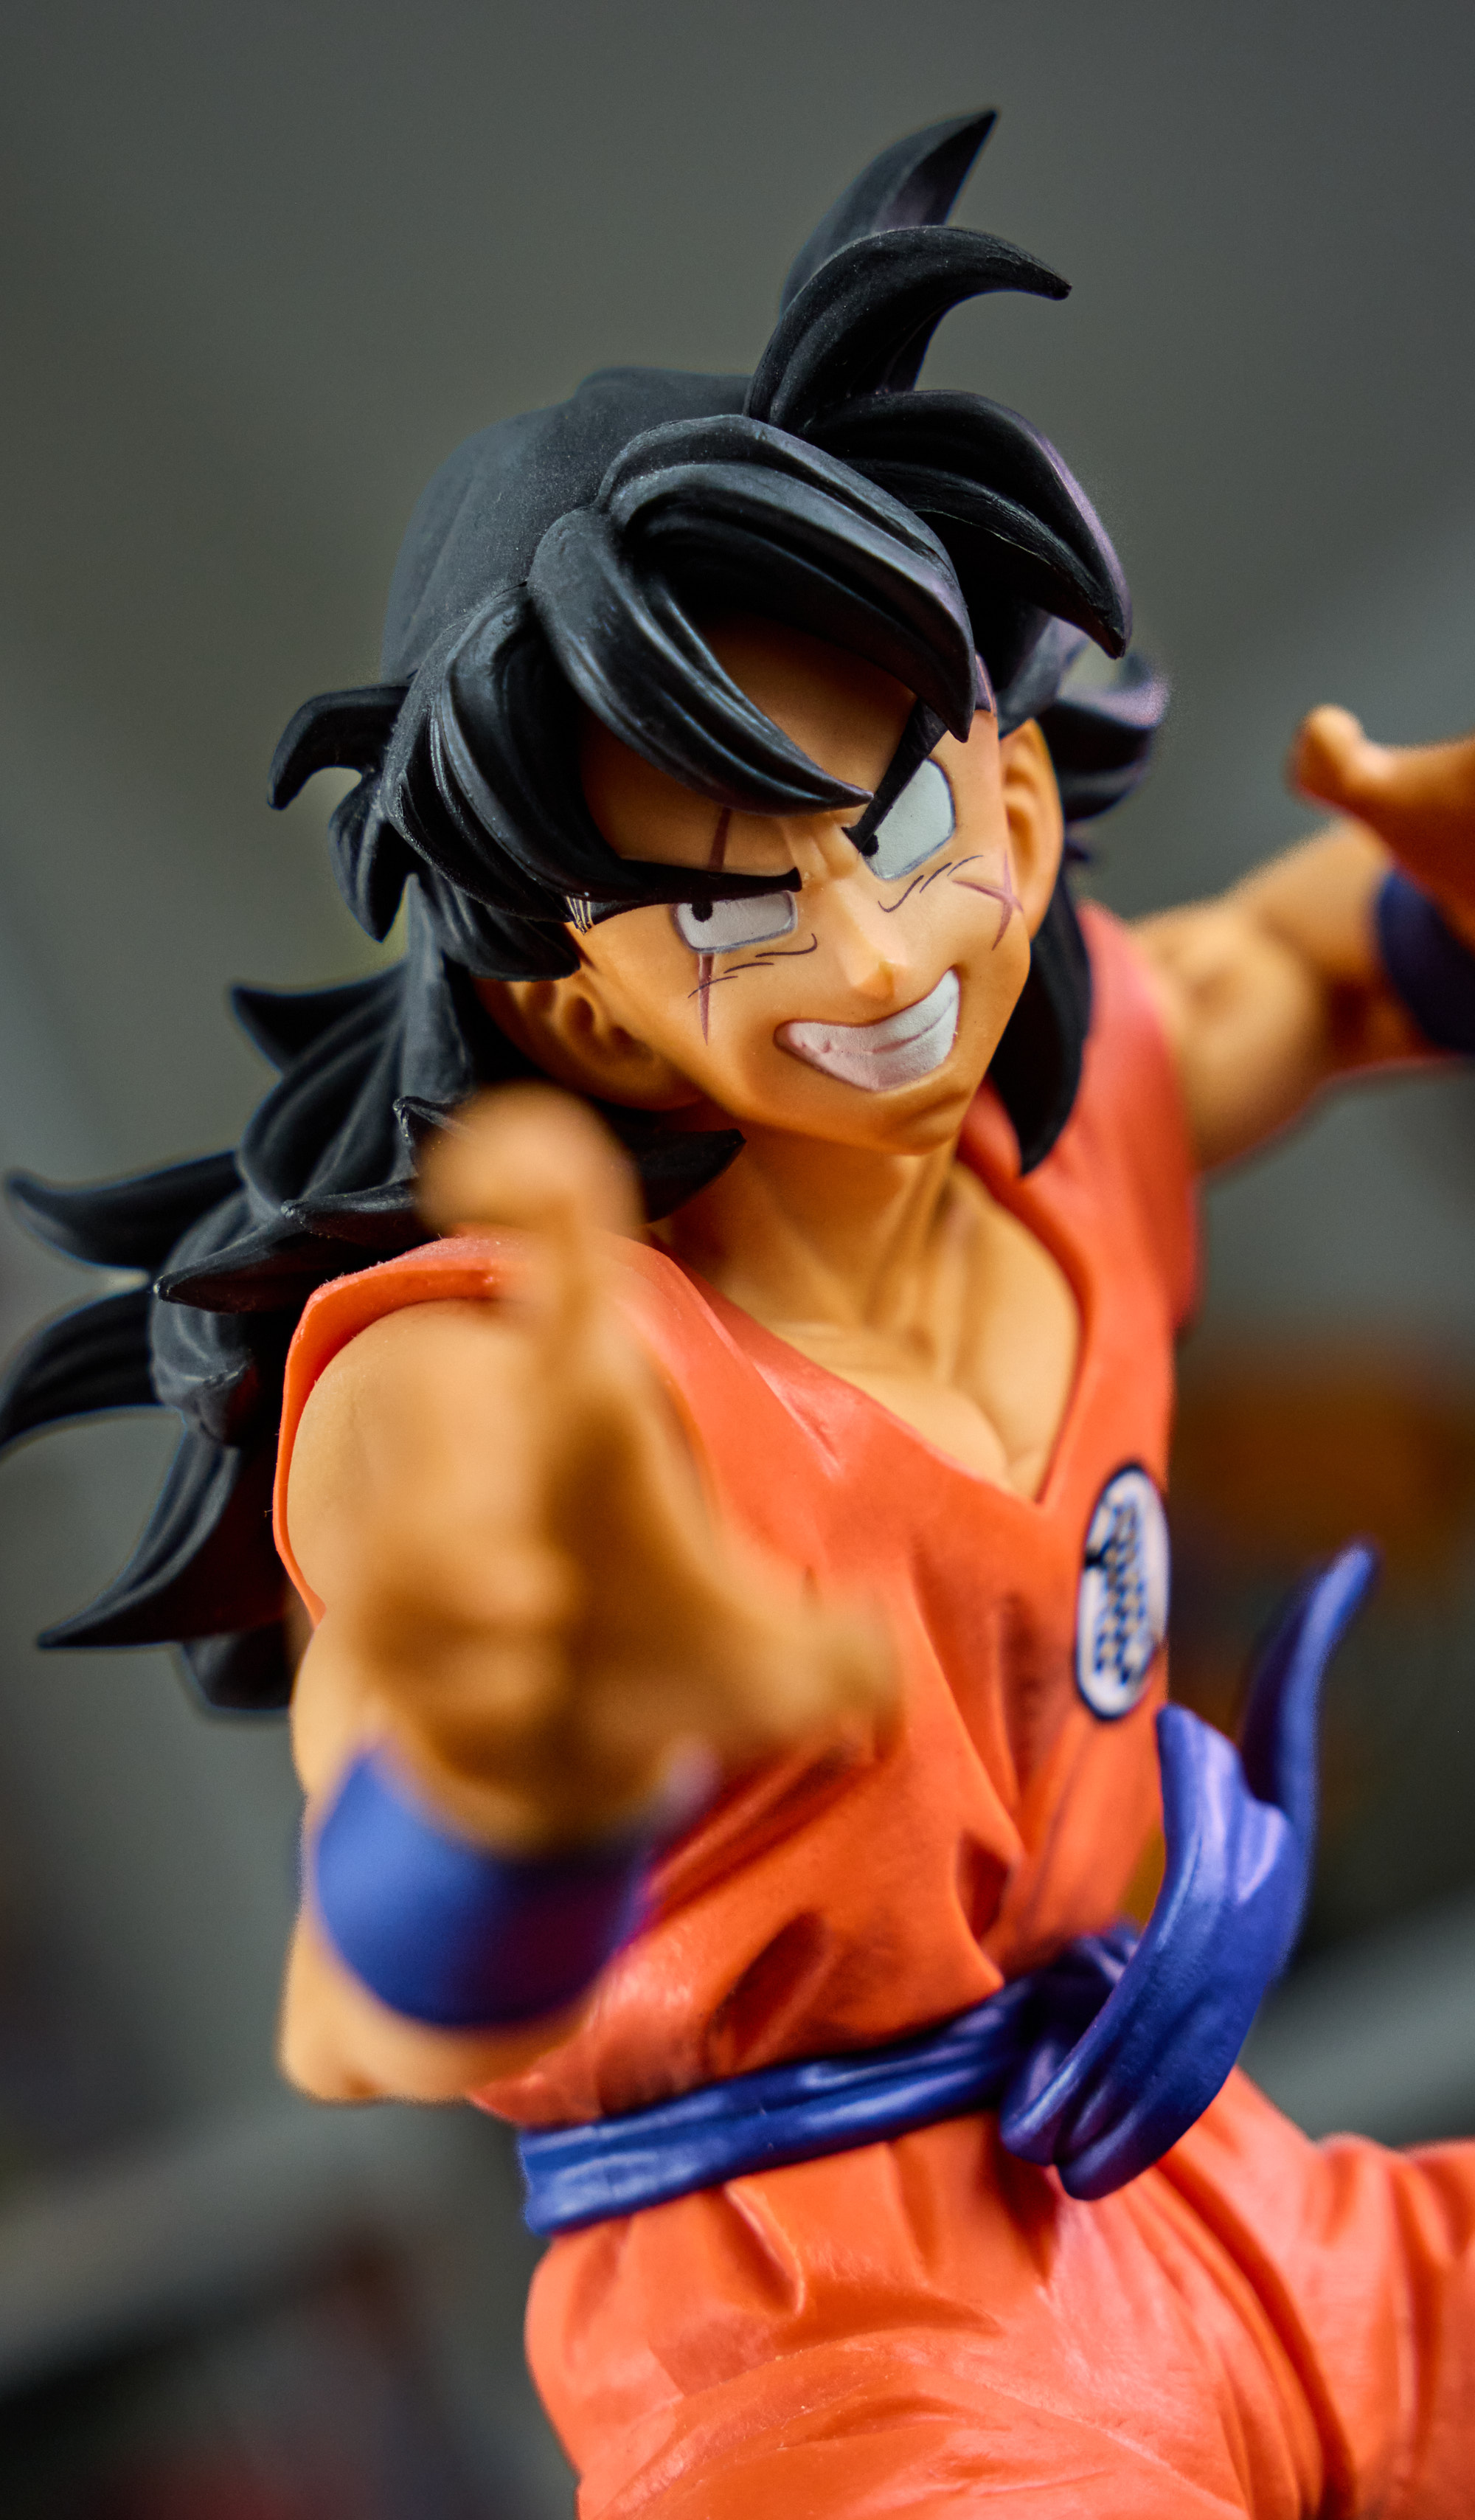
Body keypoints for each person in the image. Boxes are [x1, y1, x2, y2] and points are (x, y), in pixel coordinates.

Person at [7, 113, 1475, 2516]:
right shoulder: (496, 1369)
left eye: (898, 828)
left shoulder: (1070, 1104)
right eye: (727, 910)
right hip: (818, 2350)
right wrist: (525, 1789)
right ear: (573, 1002)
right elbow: (388, 1918)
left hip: (1205, 2203)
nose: (877, 961)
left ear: (1013, 792)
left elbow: (1315, 962)